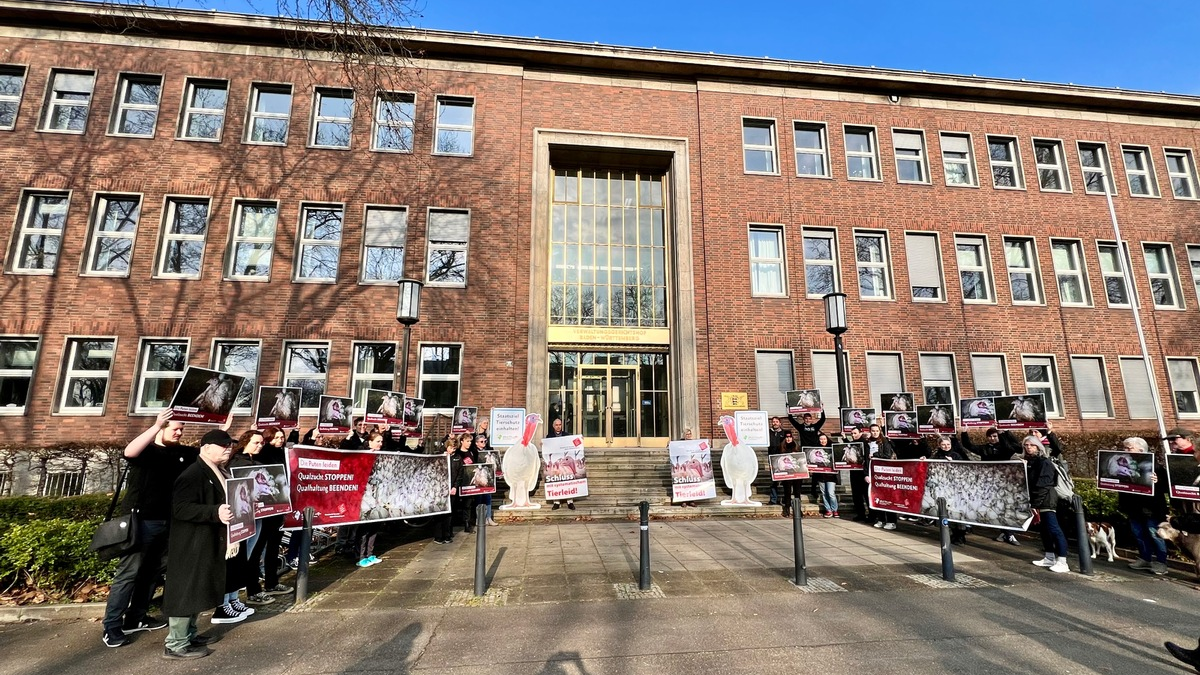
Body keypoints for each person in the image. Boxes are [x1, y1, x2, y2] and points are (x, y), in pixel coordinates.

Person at [101, 409, 196, 648]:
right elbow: (129, 452)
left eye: (181, 429)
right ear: (162, 428)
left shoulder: (181, 453)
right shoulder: (148, 452)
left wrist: (223, 430)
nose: (178, 432)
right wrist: (155, 426)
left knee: (153, 572)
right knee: (129, 573)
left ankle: (137, 617)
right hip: (141, 521)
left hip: (167, 522)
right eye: (174, 428)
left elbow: (206, 454)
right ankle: (112, 625)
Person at [161, 429, 239, 660]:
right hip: (191, 544)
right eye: (223, 445)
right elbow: (180, 508)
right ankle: (175, 643)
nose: (228, 449)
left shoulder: (214, 471)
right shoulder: (193, 474)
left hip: (204, 541)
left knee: (196, 590)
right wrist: (214, 512)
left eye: (230, 445)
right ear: (206, 448)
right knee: (187, 591)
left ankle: (190, 634)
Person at [1118, 437, 1169, 575]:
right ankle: (1145, 558)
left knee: (1155, 534)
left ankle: (1161, 562)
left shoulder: (1155, 466)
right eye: (1125, 448)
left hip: (1151, 508)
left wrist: (1158, 482)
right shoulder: (1123, 465)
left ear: (1141, 450)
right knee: (1138, 533)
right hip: (1133, 507)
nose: (1125, 451)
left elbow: (1168, 487)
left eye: (1129, 448)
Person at [1024, 435, 1069, 573]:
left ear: (1038, 447)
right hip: (1039, 500)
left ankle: (1062, 561)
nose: (1028, 447)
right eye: (1026, 445)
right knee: (1044, 530)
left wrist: (1035, 504)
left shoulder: (1044, 462)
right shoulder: (1030, 462)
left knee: (1054, 529)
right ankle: (1049, 557)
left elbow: (1043, 484)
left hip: (1047, 500)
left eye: (1032, 445)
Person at [355, 432, 386, 567]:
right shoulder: (363, 454)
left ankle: (370, 553)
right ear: (370, 442)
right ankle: (361, 556)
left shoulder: (381, 456)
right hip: (365, 497)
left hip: (377, 496)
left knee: (375, 526)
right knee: (364, 527)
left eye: (381, 441)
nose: (380, 444)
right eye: (378, 441)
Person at [863, 423, 897, 529]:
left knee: (888, 497)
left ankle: (891, 521)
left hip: (885, 473)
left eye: (877, 430)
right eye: (873, 431)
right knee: (877, 497)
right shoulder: (867, 443)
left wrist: (875, 455)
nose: (875, 432)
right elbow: (865, 459)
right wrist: (866, 474)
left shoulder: (884, 441)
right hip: (873, 473)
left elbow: (887, 455)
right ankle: (881, 519)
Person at [842, 425, 870, 522]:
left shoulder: (865, 443)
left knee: (866, 495)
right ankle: (860, 514)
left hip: (863, 472)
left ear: (860, 433)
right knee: (856, 495)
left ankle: (871, 515)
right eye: (852, 434)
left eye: (855, 433)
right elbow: (849, 446)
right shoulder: (853, 442)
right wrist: (844, 438)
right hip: (854, 472)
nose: (853, 435)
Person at [545, 418, 575, 511]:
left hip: (564, 464)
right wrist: (543, 444)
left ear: (562, 425)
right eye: (556, 425)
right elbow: (546, 448)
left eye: (560, 425)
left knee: (567, 480)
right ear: (553, 426)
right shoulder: (549, 436)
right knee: (556, 481)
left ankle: (570, 502)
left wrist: (580, 440)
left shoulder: (567, 435)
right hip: (556, 464)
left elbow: (574, 444)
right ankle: (556, 502)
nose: (558, 426)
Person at [473, 433, 499, 526]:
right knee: (479, 499)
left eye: (485, 441)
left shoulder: (489, 451)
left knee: (488, 498)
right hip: (479, 479)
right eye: (481, 441)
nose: (484, 443)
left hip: (488, 478)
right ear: (476, 443)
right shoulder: (474, 451)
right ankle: (479, 518)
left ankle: (488, 517)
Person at [813, 432, 840, 518]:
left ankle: (835, 510)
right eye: (821, 439)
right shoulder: (815, 450)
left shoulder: (832, 448)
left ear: (827, 439)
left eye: (824, 439)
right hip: (821, 475)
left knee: (831, 493)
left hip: (831, 475)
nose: (823, 441)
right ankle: (828, 510)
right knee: (824, 493)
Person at [776, 431, 801, 517]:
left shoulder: (797, 447)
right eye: (787, 437)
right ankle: (787, 508)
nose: (788, 439)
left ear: (792, 438)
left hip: (796, 474)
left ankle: (798, 509)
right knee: (787, 492)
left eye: (790, 437)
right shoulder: (781, 448)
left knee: (797, 492)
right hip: (786, 474)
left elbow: (801, 460)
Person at [766, 416, 788, 505]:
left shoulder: (784, 433)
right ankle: (773, 499)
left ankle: (784, 498)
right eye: (773, 421)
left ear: (780, 423)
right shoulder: (768, 433)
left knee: (784, 480)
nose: (774, 423)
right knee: (773, 480)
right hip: (772, 458)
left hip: (782, 459)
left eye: (776, 421)